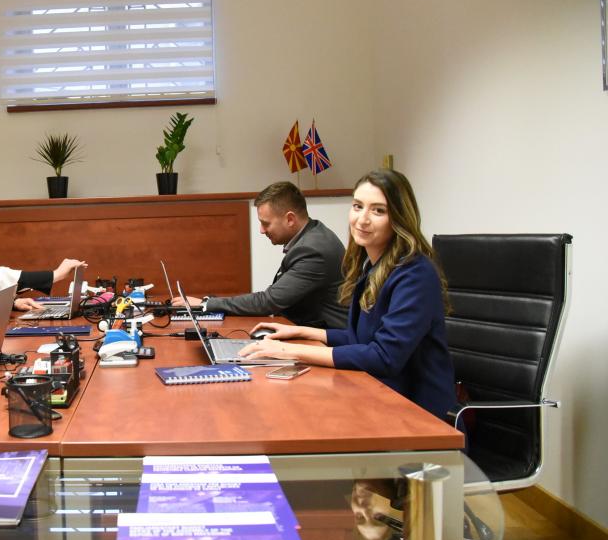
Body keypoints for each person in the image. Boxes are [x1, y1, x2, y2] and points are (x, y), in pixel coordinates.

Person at [238, 169, 455, 418]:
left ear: (399, 218)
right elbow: (360, 338)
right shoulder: (373, 266)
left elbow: (384, 356)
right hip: (376, 395)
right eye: (357, 206)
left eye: (378, 210)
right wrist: (300, 332)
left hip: (416, 414)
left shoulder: (415, 273)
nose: (362, 219)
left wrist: (290, 352)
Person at [172, 181, 347, 328]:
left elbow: (269, 301)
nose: (261, 231)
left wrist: (207, 304)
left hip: (326, 341)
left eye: (266, 224)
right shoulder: (311, 235)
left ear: (290, 219)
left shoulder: (314, 250)